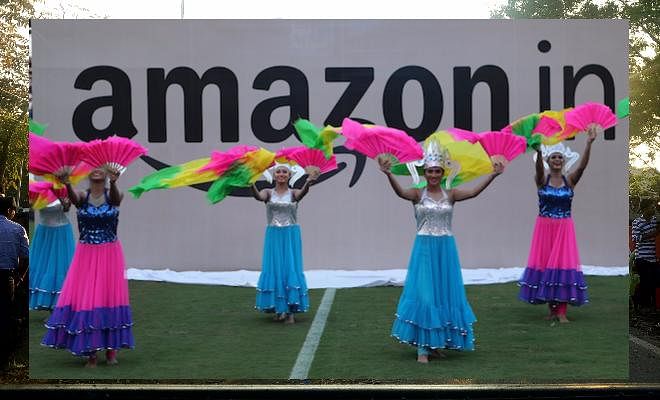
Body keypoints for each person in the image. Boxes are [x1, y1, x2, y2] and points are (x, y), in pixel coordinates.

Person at [380, 139, 503, 363]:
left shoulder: (451, 194)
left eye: (437, 171)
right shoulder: (418, 194)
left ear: (442, 171)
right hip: (425, 249)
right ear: (424, 172)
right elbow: (400, 193)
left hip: (446, 250)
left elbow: (474, 192)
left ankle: (437, 343)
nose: (434, 175)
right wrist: (388, 175)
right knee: (426, 295)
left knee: (443, 294)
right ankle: (423, 348)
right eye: (430, 171)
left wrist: (493, 176)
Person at [41, 168, 134, 367]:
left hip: (110, 254)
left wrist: (115, 182)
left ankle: (111, 351)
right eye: (95, 169)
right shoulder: (82, 196)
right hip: (86, 255)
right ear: (90, 176)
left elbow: (117, 200)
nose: (98, 172)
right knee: (89, 300)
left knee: (109, 299)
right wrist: (66, 183)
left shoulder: (113, 195)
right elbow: (74, 200)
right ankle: (90, 352)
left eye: (103, 170)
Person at [518, 127, 597, 322]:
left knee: (562, 266)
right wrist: (537, 152)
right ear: (547, 160)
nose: (556, 160)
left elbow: (582, 167)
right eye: (553, 157)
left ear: (563, 161)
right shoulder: (542, 180)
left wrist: (588, 144)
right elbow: (537, 171)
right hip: (544, 228)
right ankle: (552, 310)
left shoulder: (569, 181)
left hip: (563, 228)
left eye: (559, 157)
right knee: (546, 266)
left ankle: (562, 312)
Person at [251, 163, 319, 324]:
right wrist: (250, 184)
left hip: (290, 235)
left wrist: (308, 181)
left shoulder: (293, 193)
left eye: (285, 172)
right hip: (273, 235)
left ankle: (290, 312)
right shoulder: (267, 192)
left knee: (290, 268)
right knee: (275, 269)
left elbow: (302, 194)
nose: (281, 174)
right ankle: (278, 308)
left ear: (289, 176)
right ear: (274, 175)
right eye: (278, 172)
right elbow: (258, 197)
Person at [29, 194, 76, 310]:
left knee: (60, 268)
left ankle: (59, 307)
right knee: (43, 267)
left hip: (61, 233)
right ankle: (50, 306)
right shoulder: (39, 190)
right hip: (44, 233)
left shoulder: (65, 189)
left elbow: (67, 208)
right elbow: (33, 205)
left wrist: (63, 199)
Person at [0, 196, 29, 371]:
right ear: (10, 210)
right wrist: (20, 278)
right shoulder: (17, 229)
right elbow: (26, 257)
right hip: (6, 277)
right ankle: (5, 361)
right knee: (5, 316)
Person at [632, 198, 658, 312]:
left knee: (653, 282)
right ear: (645, 209)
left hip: (653, 258)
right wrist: (653, 233)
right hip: (642, 258)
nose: (654, 209)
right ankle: (643, 306)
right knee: (645, 282)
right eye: (652, 207)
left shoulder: (655, 221)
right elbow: (635, 238)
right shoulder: (637, 222)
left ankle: (650, 306)